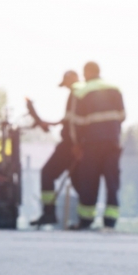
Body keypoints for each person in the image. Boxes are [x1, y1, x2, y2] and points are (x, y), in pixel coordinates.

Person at [69, 62, 125, 230]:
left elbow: (76, 122)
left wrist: (77, 144)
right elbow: (122, 116)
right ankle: (110, 221)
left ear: (86, 72)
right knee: (112, 182)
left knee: (89, 182)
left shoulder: (81, 91)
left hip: (91, 144)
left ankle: (86, 220)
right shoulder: (115, 88)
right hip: (112, 143)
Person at [29, 70, 80, 227]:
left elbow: (74, 123)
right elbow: (67, 120)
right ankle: (84, 219)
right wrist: (49, 124)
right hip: (75, 144)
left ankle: (49, 213)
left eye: (66, 84)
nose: (66, 87)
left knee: (47, 173)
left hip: (71, 145)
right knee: (79, 180)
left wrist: (76, 144)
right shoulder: (76, 95)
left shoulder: (77, 94)